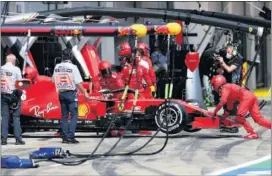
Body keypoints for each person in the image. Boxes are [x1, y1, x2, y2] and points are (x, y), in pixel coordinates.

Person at [209, 75, 271, 139]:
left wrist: (214, 112)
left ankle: (252, 133)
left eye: (213, 85)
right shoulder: (228, 89)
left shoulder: (225, 88)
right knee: (259, 119)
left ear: (217, 83)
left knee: (239, 117)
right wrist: (224, 116)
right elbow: (229, 107)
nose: (213, 87)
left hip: (246, 98)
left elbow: (222, 102)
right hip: (251, 96)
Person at [52, 48, 90, 144]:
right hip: (71, 93)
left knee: (64, 116)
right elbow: (78, 83)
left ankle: (64, 137)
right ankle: (70, 136)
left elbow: (53, 80)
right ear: (70, 57)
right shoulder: (73, 67)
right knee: (74, 115)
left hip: (61, 93)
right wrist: (85, 92)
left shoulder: (57, 67)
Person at [1, 54, 25, 145]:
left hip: (3, 94)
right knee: (16, 117)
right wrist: (21, 92)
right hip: (14, 95)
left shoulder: (1, 69)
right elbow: (20, 83)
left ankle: (4, 139)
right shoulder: (16, 69)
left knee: (5, 117)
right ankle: (18, 139)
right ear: (13, 61)